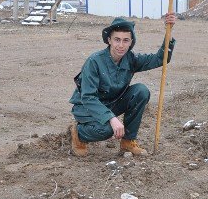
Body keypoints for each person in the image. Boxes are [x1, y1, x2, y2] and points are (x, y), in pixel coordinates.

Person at [69, 15, 176, 158]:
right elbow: (88, 97)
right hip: (87, 107)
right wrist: (111, 118)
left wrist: (169, 31)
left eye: (126, 40)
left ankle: (128, 142)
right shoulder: (94, 61)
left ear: (131, 42)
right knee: (107, 130)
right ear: (109, 40)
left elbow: (160, 59)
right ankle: (79, 133)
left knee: (141, 91)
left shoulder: (131, 59)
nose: (121, 45)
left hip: (111, 104)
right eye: (117, 40)